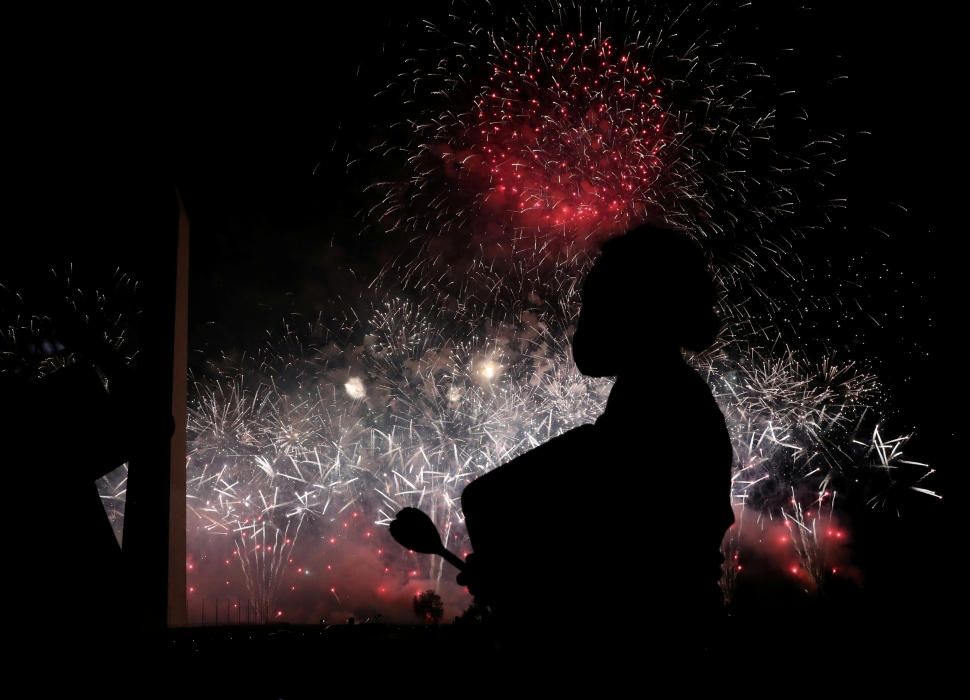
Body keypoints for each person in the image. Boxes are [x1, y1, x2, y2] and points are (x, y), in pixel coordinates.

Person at [459, 223, 735, 678]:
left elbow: (621, 554)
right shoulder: (675, 403)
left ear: (639, 312)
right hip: (676, 643)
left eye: (596, 302)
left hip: (640, 655)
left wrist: (516, 577)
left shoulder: (657, 414)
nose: (580, 322)